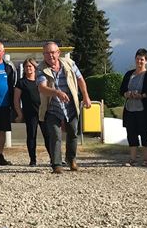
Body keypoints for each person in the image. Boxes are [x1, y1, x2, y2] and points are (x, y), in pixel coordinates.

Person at [37, 41, 92, 174]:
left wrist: (86, 96)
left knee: (73, 133)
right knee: (55, 135)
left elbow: (80, 79)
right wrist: (56, 92)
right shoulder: (41, 68)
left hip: (70, 106)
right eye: (47, 53)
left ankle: (71, 159)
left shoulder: (70, 63)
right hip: (52, 108)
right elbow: (42, 88)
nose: (50, 56)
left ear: (58, 53)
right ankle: (56, 164)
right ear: (43, 55)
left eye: (52, 52)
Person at [119, 48, 147, 167]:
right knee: (131, 133)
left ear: (146, 61)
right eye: (137, 59)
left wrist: (142, 95)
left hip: (144, 110)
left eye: (142, 59)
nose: (139, 61)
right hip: (130, 109)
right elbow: (122, 90)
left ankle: (146, 159)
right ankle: (132, 159)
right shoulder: (128, 74)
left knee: (144, 133)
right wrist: (126, 94)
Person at [14, 58, 50, 166]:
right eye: (26, 66)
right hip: (30, 113)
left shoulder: (42, 80)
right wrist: (19, 113)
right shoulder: (21, 82)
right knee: (31, 136)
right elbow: (16, 100)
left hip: (43, 111)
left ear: (35, 68)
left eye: (30, 66)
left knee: (48, 136)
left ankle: (54, 158)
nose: (28, 68)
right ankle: (33, 160)